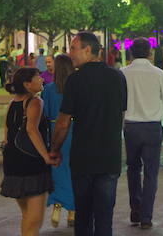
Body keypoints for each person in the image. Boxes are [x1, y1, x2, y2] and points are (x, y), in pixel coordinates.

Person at [50, 32, 127, 236]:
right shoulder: (118, 77)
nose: (70, 53)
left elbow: (63, 122)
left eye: (73, 49)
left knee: (83, 217)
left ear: (87, 50)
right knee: (104, 218)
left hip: (83, 158)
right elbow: (121, 113)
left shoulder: (75, 80)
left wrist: (55, 149)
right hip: (109, 158)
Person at [121, 38, 163, 230]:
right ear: (149, 53)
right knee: (151, 172)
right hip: (152, 128)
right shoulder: (158, 73)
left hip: (131, 127)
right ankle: (146, 216)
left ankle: (135, 206)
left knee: (132, 168)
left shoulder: (123, 73)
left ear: (131, 53)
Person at [0, 67, 56, 236]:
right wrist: (46, 156)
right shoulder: (35, 102)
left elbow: (7, 132)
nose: (42, 80)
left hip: (12, 163)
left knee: (27, 216)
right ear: (27, 84)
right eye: (38, 78)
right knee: (35, 219)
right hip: (31, 164)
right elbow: (32, 130)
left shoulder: (12, 104)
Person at [42, 54, 75, 229]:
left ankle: (57, 206)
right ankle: (72, 211)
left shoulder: (48, 89)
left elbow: (45, 114)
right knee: (73, 170)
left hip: (56, 133)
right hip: (74, 131)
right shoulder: (78, 88)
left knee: (57, 170)